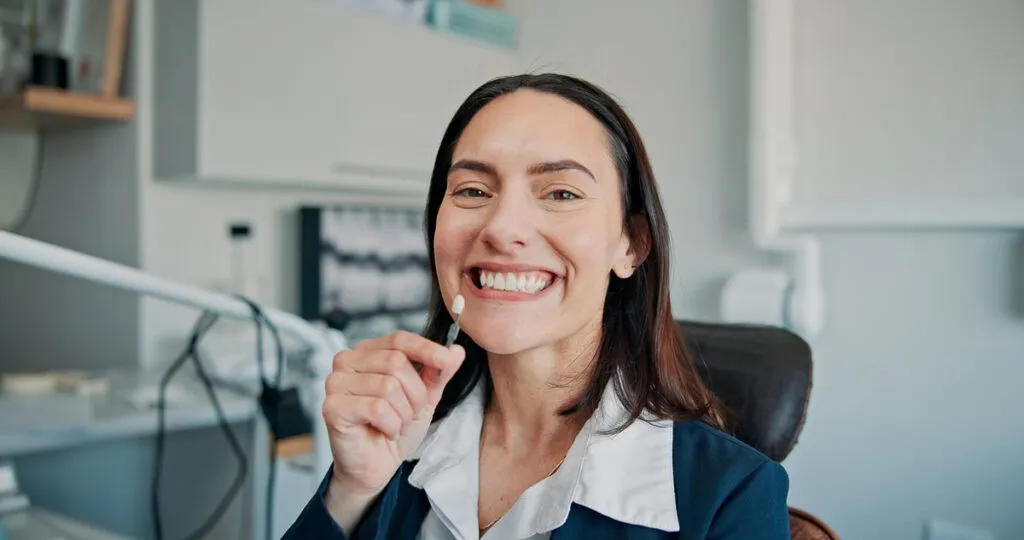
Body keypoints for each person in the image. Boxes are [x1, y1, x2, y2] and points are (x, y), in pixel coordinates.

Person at [283, 73, 791, 539]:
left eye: (561, 193)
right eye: (473, 190)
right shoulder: (399, 443)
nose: (502, 229)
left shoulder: (732, 496)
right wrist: (352, 491)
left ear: (631, 244)